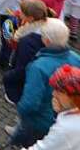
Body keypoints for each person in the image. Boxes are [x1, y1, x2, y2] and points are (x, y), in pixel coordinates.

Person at [11, 18, 80, 147]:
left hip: (39, 122)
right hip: (60, 115)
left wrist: (22, 111)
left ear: (46, 40)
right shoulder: (76, 58)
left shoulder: (38, 67)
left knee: (22, 139)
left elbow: (29, 104)